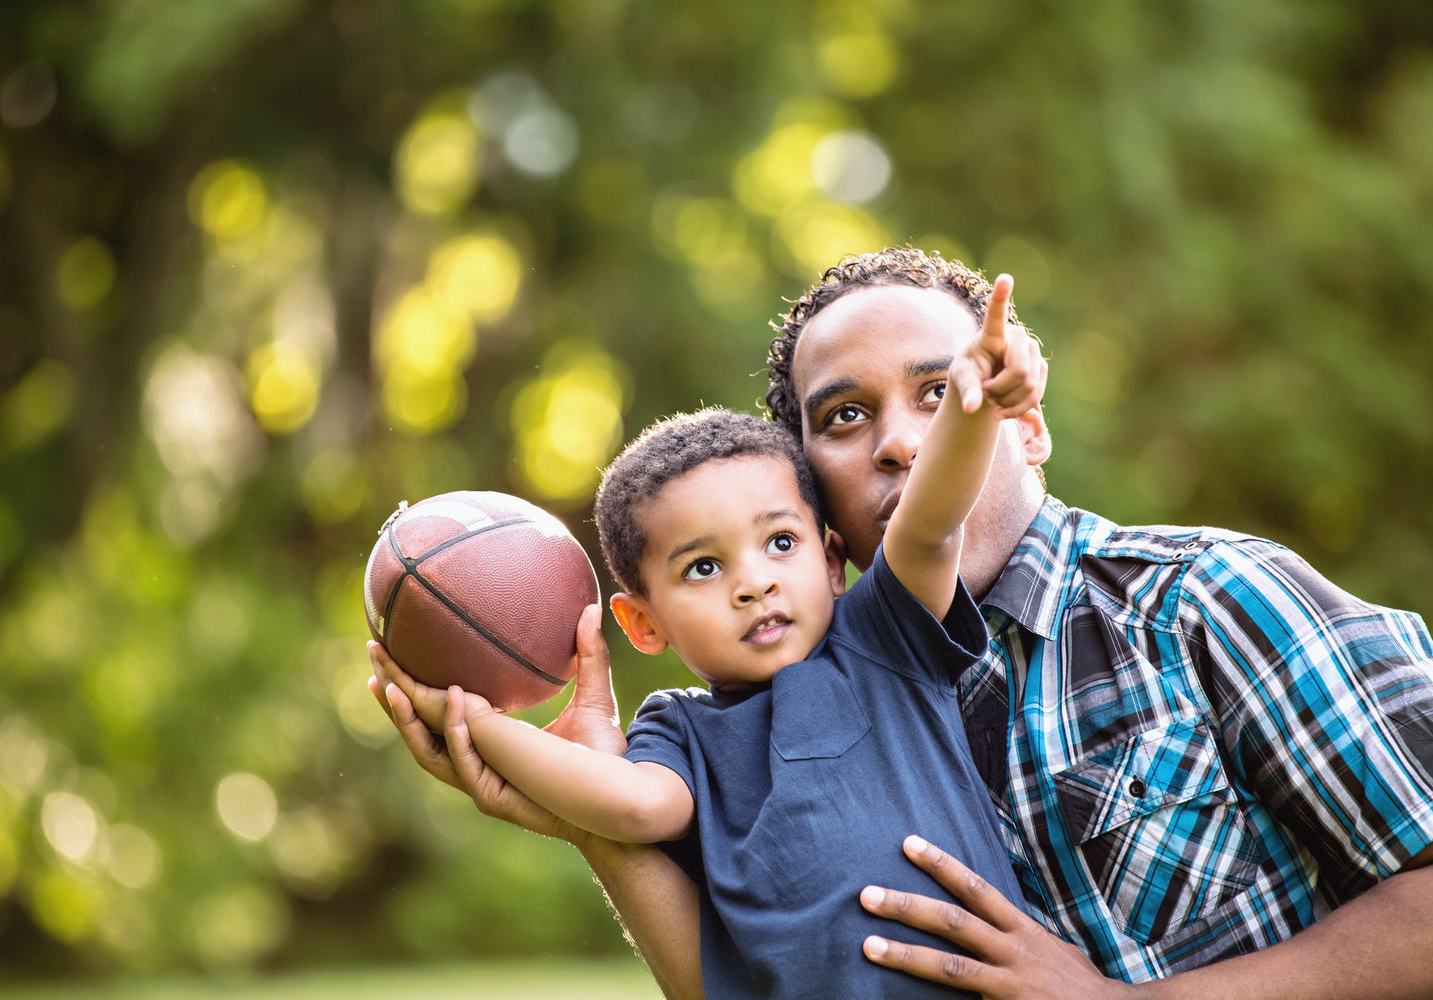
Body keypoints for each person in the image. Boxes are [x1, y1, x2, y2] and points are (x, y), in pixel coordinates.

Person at [370, 247, 1433, 999]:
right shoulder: (768, 718)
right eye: (845, 416)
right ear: (814, 492)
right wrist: (567, 801)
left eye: (942, 391)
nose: (897, 444)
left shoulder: (1206, 600)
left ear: (1025, 419)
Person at [374, 271, 1044, 998]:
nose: (751, 583)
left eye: (780, 544)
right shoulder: (678, 730)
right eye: (702, 567)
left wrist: (975, 406)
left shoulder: (883, 641)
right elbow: (634, 807)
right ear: (643, 622)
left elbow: (930, 515)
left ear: (831, 558)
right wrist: (472, 720)